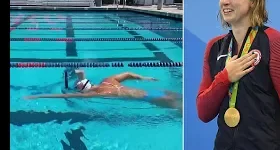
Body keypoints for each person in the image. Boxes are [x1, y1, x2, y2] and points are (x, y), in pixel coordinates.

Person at [196, 0, 280, 150]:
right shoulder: (214, 47)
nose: (224, 1)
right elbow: (203, 112)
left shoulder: (275, 42)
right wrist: (225, 77)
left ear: (253, 0)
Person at [24, 70, 182, 111]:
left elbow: (62, 95)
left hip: (149, 98)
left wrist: (38, 95)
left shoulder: (97, 93)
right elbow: (127, 74)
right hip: (157, 90)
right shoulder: (107, 80)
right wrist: (145, 78)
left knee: (183, 111)